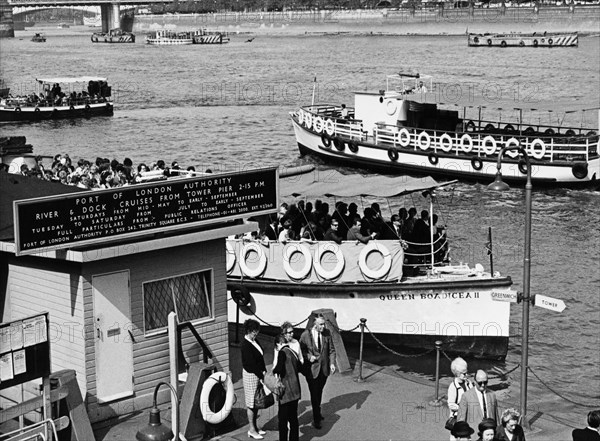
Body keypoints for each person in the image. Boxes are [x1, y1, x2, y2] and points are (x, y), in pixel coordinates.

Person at [299, 315, 336, 429]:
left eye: (324, 324)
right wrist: (308, 356)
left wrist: (332, 363)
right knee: (314, 394)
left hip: (324, 369)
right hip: (312, 370)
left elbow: (332, 350)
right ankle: (316, 419)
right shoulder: (306, 335)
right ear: (315, 324)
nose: (323, 326)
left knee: (319, 392)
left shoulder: (327, 333)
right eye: (320, 324)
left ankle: (317, 412)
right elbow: (300, 350)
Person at [241, 319, 267, 440]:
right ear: (248, 331)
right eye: (253, 331)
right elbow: (251, 364)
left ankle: (255, 427)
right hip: (251, 375)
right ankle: (251, 429)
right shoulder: (245, 345)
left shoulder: (254, 340)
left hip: (257, 373)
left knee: (256, 402)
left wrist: (264, 370)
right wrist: (262, 375)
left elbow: (260, 357)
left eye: (256, 331)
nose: (255, 333)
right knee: (251, 403)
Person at [273, 333, 301, 441]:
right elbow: (300, 367)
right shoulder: (293, 352)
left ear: (279, 343)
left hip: (286, 392)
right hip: (295, 390)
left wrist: (274, 371)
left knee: (283, 420)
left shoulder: (282, 353)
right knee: (293, 418)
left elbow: (279, 368)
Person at [447, 357, 473, 438]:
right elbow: (451, 404)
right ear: (457, 374)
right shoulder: (453, 387)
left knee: (466, 435)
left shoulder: (468, 383)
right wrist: (461, 407)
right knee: (456, 436)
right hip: (457, 416)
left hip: (467, 415)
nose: (466, 375)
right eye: (463, 373)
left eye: (466, 372)